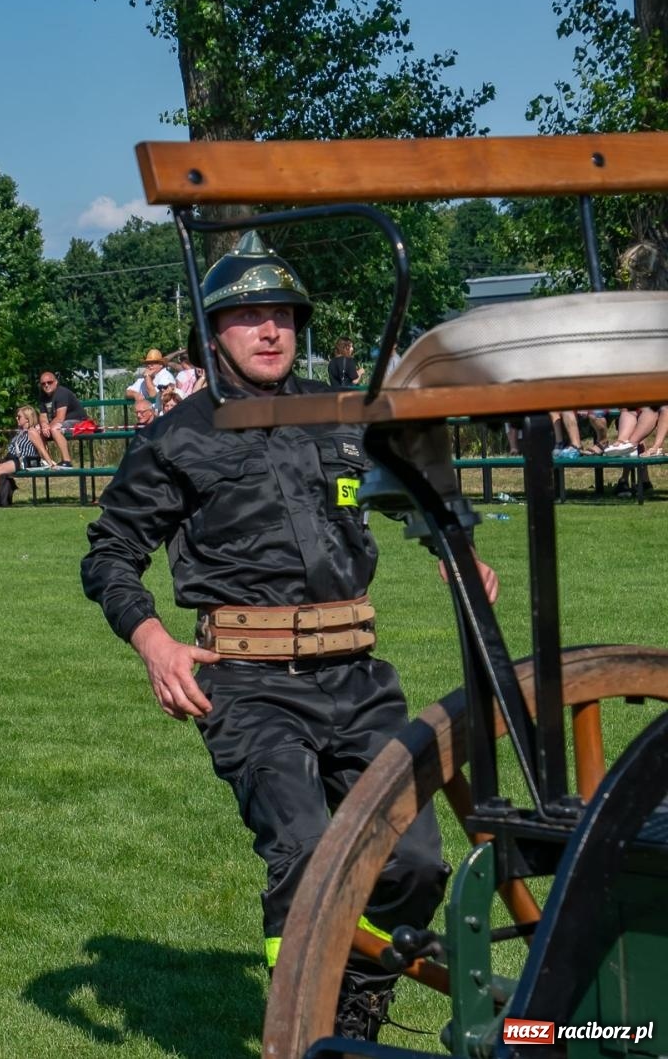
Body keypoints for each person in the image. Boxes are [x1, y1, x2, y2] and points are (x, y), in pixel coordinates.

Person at [81, 233, 498, 1041]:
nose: (270, 331)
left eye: (282, 316)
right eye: (249, 317)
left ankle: (356, 1000)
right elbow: (109, 554)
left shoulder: (339, 417)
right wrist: (156, 644)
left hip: (359, 677)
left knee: (416, 862)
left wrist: (453, 546)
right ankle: (299, 1025)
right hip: (248, 683)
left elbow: (413, 481)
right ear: (214, 333)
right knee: (306, 849)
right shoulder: (176, 437)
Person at [31, 370, 90, 469]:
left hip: (78, 421)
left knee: (55, 428)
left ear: (56, 382)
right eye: (43, 383)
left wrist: (48, 427)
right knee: (35, 430)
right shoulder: (42, 397)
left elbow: (60, 418)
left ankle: (67, 461)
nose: (46, 385)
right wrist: (44, 425)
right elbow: (43, 416)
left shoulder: (62, 393)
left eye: (49, 382)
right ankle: (47, 461)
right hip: (60, 422)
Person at [125, 349, 176, 416]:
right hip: (147, 416)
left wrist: (147, 376)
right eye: (147, 363)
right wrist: (135, 394)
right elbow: (127, 392)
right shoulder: (143, 379)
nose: (149, 365)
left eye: (153, 363)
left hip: (164, 416)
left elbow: (153, 395)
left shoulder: (166, 376)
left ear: (161, 365)